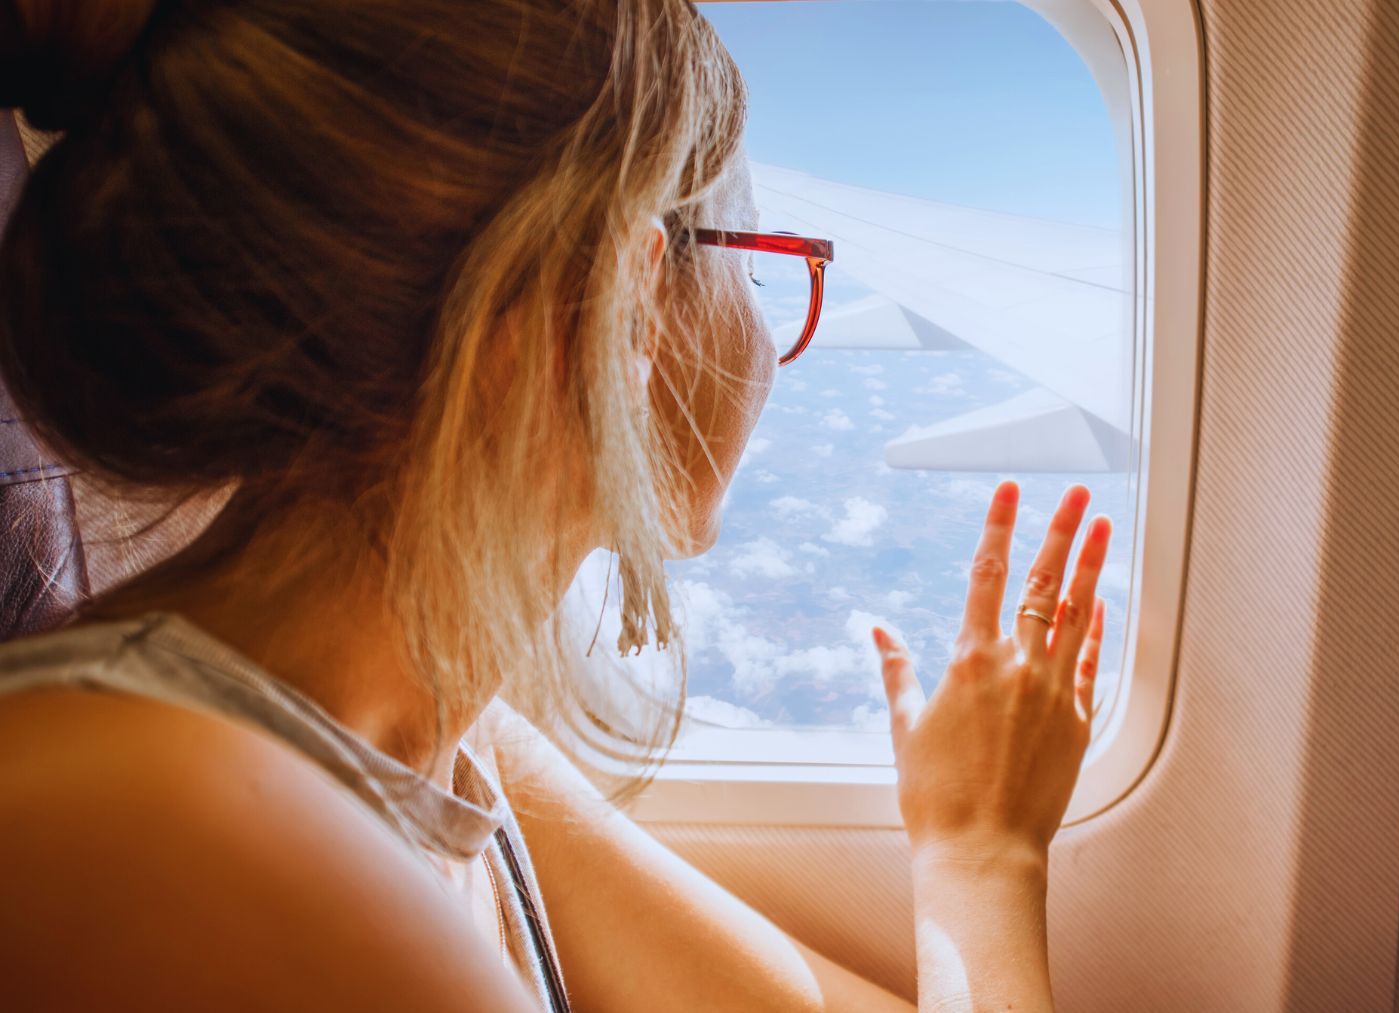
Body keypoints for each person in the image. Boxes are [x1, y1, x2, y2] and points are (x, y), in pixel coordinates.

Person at [0, 1, 1113, 1010]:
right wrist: (985, 866)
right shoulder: (185, 824)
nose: (771, 340)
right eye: (761, 266)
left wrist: (975, 848)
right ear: (623, 310)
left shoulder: (436, 732)